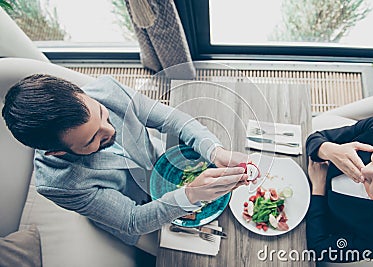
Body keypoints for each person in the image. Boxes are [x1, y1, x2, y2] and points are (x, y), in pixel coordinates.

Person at [2, 74, 252, 255]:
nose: (110, 130)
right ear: (56, 151)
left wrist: (214, 150)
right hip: (135, 216)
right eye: (92, 140)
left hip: (162, 168)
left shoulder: (108, 89)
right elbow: (133, 220)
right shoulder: (58, 185)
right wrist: (190, 195)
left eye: (101, 114)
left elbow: (171, 118)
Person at [306, 115, 373, 262]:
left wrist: (319, 188)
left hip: (312, 221)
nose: (365, 171)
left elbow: (321, 250)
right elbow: (317, 137)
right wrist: (328, 150)